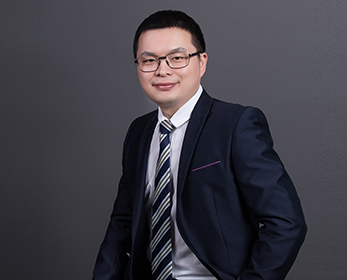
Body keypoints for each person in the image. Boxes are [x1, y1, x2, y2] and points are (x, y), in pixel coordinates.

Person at [92, 10, 307, 280]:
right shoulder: (139, 131)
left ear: (201, 62)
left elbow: (286, 223)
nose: (162, 69)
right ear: (138, 66)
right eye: (149, 60)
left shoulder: (235, 124)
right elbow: (122, 224)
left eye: (177, 58)